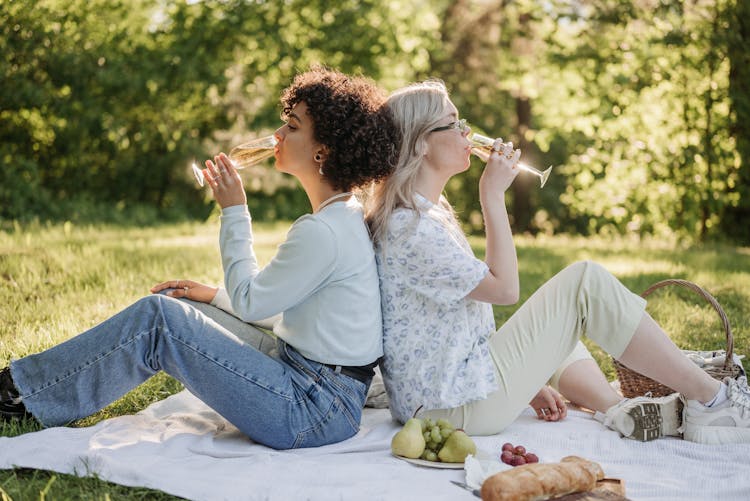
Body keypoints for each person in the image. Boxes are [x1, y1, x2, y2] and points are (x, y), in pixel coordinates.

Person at [0, 66, 398, 450]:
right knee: (179, 307)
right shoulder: (340, 216)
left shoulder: (323, 230)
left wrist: (233, 210)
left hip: (310, 409)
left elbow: (251, 300)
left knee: (159, 321)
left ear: (322, 152)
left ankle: (19, 394)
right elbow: (294, 314)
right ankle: (28, 388)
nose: (277, 134)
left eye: (292, 126)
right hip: (317, 387)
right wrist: (213, 296)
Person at [365, 79, 750, 445]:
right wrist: (492, 196)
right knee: (585, 284)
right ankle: (713, 401)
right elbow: (505, 290)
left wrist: (525, 382)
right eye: (453, 124)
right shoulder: (411, 228)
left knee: (560, 324)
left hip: (450, 395)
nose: (467, 132)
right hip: (452, 409)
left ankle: (620, 411)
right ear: (419, 145)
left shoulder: (423, 214)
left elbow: (460, 322)